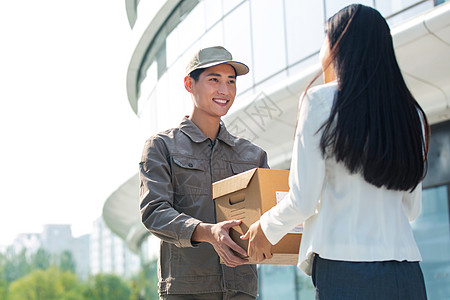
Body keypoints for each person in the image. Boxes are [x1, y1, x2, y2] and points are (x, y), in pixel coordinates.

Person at [241, 4, 430, 299]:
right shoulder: (411, 113)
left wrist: (264, 228)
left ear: (338, 47)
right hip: (405, 272)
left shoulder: (321, 101)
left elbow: (303, 200)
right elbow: (412, 208)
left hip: (345, 271)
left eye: (324, 40)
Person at [139, 46, 269, 300]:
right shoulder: (161, 146)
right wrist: (207, 232)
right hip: (187, 290)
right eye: (214, 80)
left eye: (231, 82)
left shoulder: (253, 155)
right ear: (190, 84)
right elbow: (153, 212)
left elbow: (269, 218)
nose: (225, 90)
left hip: (241, 289)